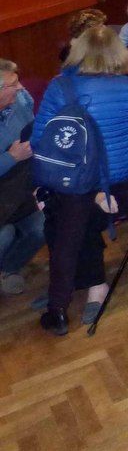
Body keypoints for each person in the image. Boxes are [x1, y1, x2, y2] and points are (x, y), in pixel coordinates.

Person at [33, 27, 128, 335]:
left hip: (81, 174)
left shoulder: (60, 88)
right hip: (127, 168)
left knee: (67, 239)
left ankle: (58, 310)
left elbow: (41, 137)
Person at [0, 59, 42, 297]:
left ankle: (8, 268)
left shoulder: (21, 102)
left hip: (20, 191)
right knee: (3, 235)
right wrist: (11, 157)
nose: (20, 88)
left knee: (43, 226)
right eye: (13, 84)